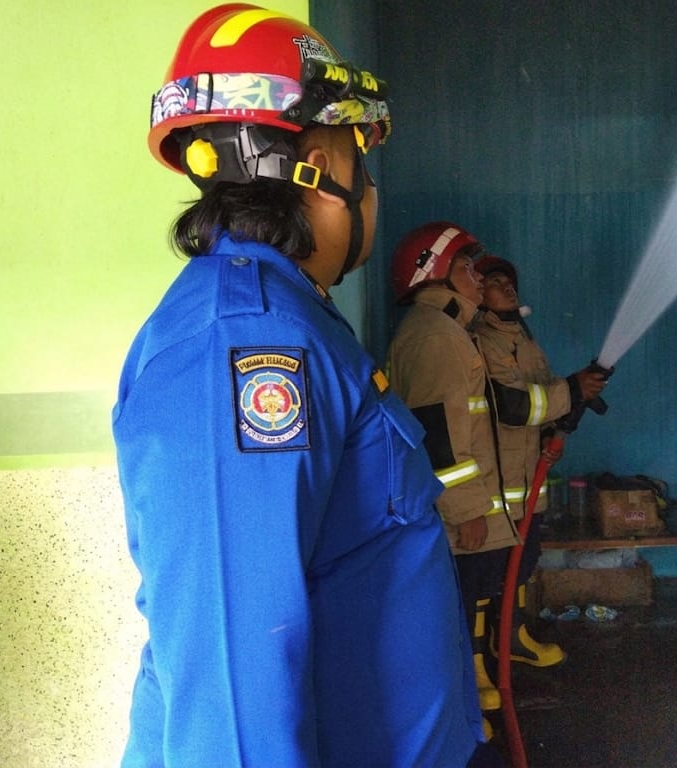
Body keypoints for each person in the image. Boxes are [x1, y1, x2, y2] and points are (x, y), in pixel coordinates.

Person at [113, 7, 490, 767]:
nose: (370, 190)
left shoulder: (290, 319)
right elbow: (236, 686)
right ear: (314, 161)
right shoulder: (244, 346)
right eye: (361, 160)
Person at [387, 222, 521, 719]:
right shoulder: (436, 336)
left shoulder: (448, 331)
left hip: (454, 512)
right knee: (454, 619)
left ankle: (463, 716)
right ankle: (460, 723)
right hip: (450, 518)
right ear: (433, 273)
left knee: (462, 615)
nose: (478, 278)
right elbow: (437, 437)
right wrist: (467, 511)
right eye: (465, 267)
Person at [471, 255, 608, 667]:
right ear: (479, 293)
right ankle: (476, 663)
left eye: (509, 281)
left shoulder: (522, 339)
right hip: (496, 479)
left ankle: (512, 638)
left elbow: (543, 398)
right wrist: (571, 389)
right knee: (485, 571)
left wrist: (573, 397)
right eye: (494, 281)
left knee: (523, 562)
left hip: (527, 475)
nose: (507, 287)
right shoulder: (482, 340)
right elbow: (511, 405)